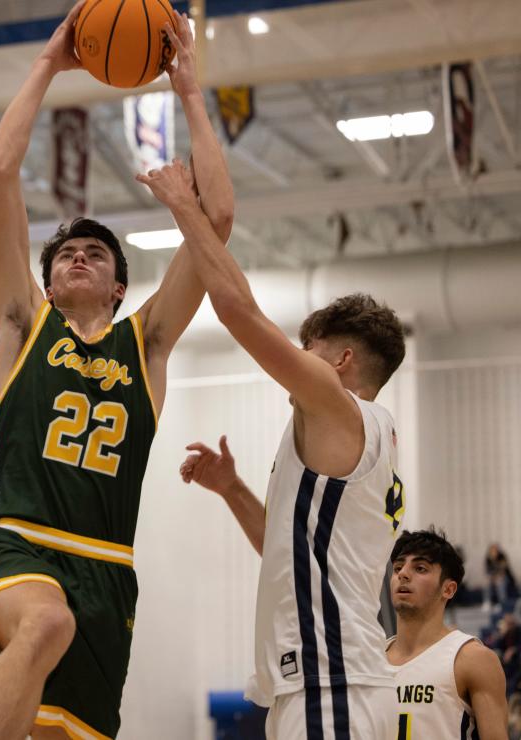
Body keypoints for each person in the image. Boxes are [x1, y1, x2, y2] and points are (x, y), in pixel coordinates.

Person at [0, 4, 234, 739]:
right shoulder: (25, 323)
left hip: (108, 568)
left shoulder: (145, 345)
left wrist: (190, 94)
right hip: (20, 539)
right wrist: (48, 63)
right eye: (64, 255)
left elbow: (220, 220)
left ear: (119, 288)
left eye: (97, 254)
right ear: (47, 283)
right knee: (44, 623)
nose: (78, 255)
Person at [149, 159, 408, 734]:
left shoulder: (342, 408)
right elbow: (286, 549)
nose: (298, 361)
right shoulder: (360, 438)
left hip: (332, 680)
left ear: (340, 360)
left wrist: (184, 208)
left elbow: (237, 310)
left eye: (307, 349)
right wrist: (233, 489)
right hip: (322, 681)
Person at [387, 528, 508, 739]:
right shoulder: (369, 658)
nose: (403, 574)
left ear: (448, 590)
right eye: (398, 567)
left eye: (420, 568)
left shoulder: (473, 659)